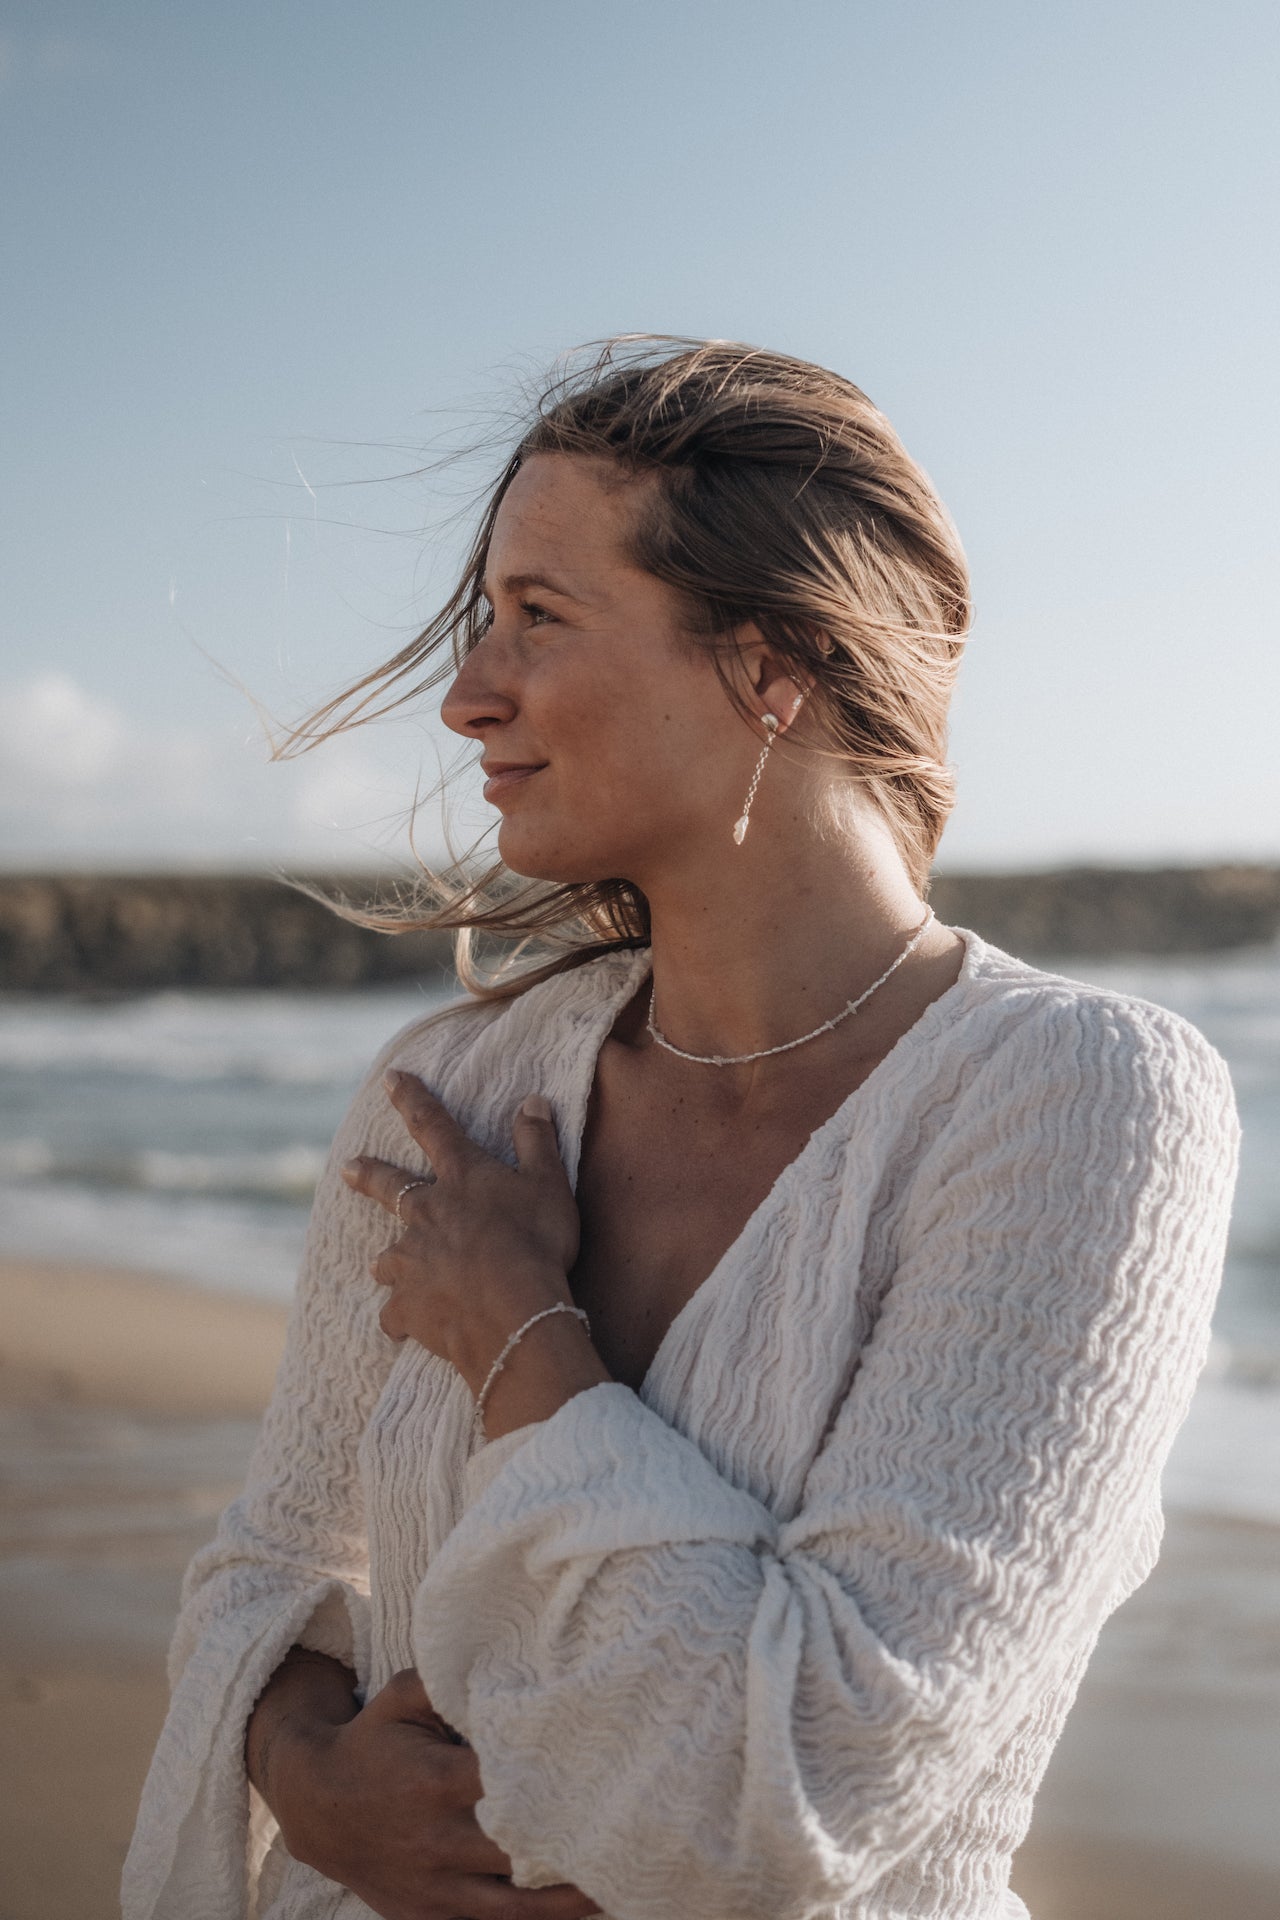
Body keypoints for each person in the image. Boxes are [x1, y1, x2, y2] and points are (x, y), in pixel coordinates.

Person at [123, 337, 1240, 1920]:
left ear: (773, 663)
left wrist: (522, 1344)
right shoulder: (451, 1096)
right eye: (480, 619)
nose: (465, 694)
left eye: (540, 617)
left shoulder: (1079, 1100)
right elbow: (277, 1568)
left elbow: (795, 1793)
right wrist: (316, 1786)